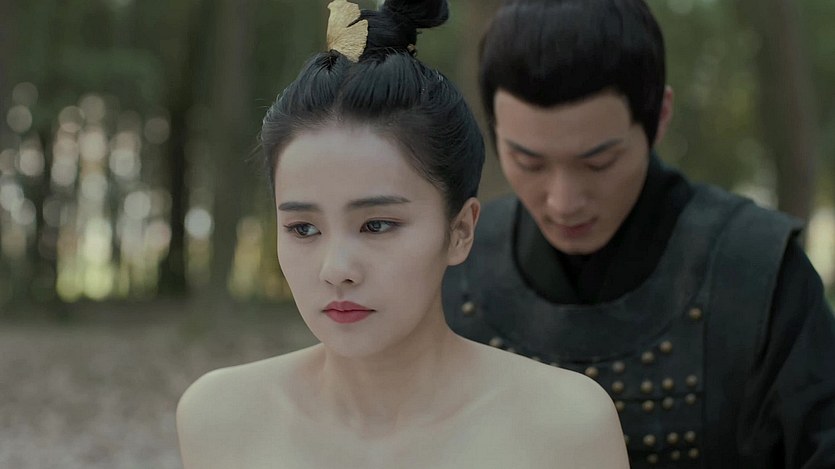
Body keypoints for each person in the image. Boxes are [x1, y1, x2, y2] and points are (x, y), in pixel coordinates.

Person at [176, 1, 629, 467]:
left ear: (460, 230)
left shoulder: (564, 427)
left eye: (376, 225)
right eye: (303, 228)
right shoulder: (223, 419)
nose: (337, 269)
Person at [441, 0, 835, 467]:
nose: (563, 201)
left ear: (660, 117)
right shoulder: (451, 264)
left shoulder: (760, 269)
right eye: (529, 162)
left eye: (598, 162)